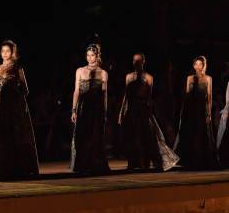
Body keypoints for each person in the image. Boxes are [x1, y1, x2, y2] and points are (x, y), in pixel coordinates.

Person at [0, 40, 39, 179]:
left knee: (14, 135)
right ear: (0, 53)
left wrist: (14, 91)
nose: (5, 53)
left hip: (14, 107)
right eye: (3, 51)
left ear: (13, 53)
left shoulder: (17, 68)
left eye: (8, 51)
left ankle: (17, 167)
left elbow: (26, 90)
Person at [118, 53, 179, 171]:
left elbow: (149, 97)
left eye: (138, 61)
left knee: (146, 136)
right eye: (134, 61)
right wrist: (122, 112)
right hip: (131, 109)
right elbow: (125, 95)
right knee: (132, 136)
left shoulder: (149, 77)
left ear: (143, 62)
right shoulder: (128, 76)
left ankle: (144, 162)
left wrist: (149, 113)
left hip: (143, 109)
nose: (136, 63)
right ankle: (133, 162)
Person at [70, 44, 110, 174]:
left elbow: (104, 94)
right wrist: (74, 110)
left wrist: (104, 111)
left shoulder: (103, 73)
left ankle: (95, 164)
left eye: (92, 55)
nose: (89, 58)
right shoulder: (80, 71)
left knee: (95, 135)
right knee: (82, 135)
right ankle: (82, 164)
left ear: (97, 56)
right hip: (83, 107)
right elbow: (76, 91)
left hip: (96, 108)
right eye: (87, 55)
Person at [174, 56, 217, 169]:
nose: (198, 66)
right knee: (191, 133)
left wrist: (209, 114)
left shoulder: (208, 78)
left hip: (202, 109)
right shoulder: (190, 78)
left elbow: (209, 97)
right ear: (193, 66)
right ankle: (190, 159)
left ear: (203, 65)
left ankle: (202, 159)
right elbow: (187, 96)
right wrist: (184, 112)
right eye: (196, 64)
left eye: (200, 64)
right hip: (191, 109)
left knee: (202, 134)